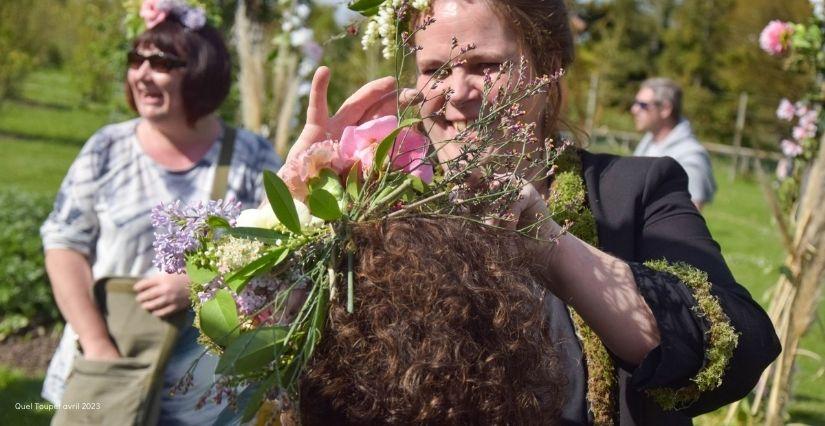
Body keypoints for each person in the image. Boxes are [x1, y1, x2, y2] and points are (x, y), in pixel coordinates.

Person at [276, 0, 780, 424]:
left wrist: (549, 242)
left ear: (547, 66)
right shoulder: (376, 201)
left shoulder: (632, 190)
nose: (455, 93)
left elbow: (738, 348)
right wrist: (296, 213)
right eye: (434, 70)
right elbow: (270, 362)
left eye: (484, 65)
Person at [40, 4, 280, 424]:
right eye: (137, 60)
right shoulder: (107, 149)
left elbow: (281, 255)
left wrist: (196, 284)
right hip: (111, 364)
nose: (143, 74)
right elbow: (64, 245)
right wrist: (98, 348)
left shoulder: (250, 158)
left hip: (205, 394)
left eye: (163, 62)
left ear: (203, 70)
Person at [631, 77, 717, 210]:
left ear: (665, 108)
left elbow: (688, 218)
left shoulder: (691, 156)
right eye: (635, 103)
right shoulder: (648, 142)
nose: (634, 109)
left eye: (643, 105)